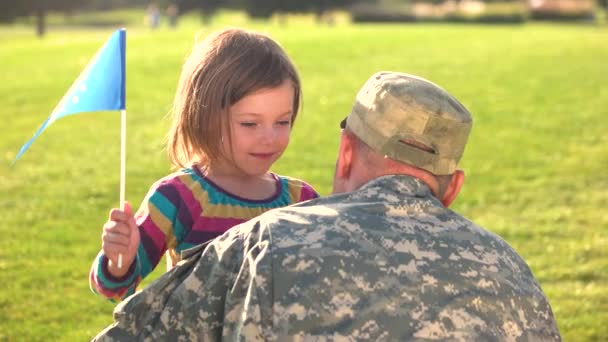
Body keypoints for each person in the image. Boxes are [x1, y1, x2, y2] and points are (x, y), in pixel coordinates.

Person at [93, 72, 561, 340]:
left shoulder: (267, 241)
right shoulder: (512, 270)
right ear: (453, 186)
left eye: (282, 121)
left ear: (346, 152)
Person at [89, 28, 319, 302]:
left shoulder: (301, 200)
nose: (269, 138)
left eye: (282, 122)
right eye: (250, 123)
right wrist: (119, 262)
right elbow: (115, 288)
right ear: (204, 117)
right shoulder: (178, 197)